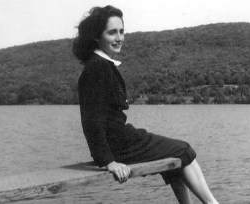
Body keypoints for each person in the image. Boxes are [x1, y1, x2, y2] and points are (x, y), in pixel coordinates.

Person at [73, 5, 219, 204]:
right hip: (119, 145)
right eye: (112, 32)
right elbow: (91, 121)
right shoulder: (98, 67)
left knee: (178, 154)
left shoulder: (101, 64)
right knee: (184, 151)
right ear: (97, 37)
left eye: (122, 31)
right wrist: (108, 162)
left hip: (121, 140)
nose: (119, 38)